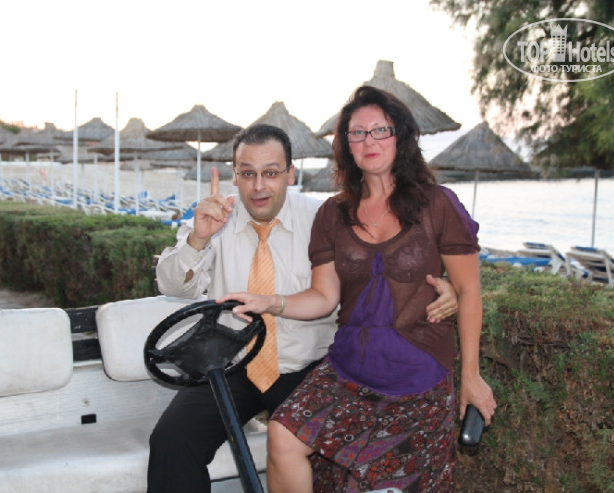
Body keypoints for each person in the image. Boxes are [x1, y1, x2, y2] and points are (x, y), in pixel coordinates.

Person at [148, 123, 459, 493]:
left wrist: (446, 287)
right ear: (235, 176)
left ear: (290, 174)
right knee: (171, 441)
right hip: (233, 366)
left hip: (309, 368)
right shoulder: (215, 220)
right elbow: (171, 286)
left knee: (336, 458)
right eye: (247, 174)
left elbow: (385, 269)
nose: (259, 186)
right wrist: (198, 239)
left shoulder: (325, 217)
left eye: (270, 173)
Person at [221, 88, 497, 492]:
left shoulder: (438, 204)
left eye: (380, 130)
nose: (369, 141)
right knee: (283, 435)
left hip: (417, 379)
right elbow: (324, 296)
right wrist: (270, 302)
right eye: (357, 133)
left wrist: (470, 376)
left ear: (400, 137)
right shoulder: (333, 213)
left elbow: (469, 291)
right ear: (346, 145)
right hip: (346, 369)